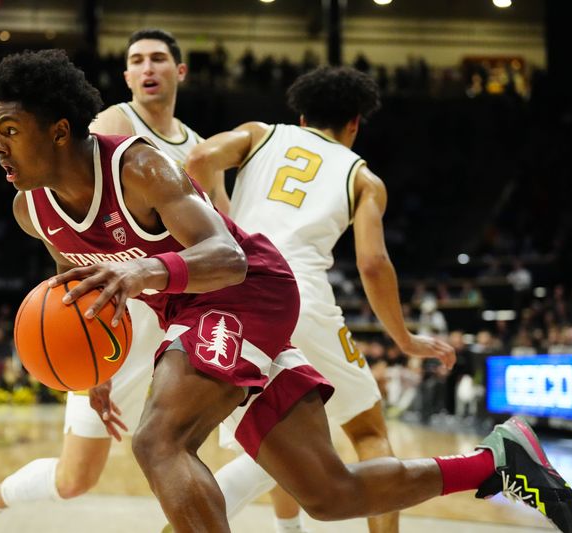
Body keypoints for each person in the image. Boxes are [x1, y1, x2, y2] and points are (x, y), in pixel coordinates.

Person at [0, 50, 572, 533]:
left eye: (9, 129)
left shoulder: (137, 166)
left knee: (158, 440)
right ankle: (496, 461)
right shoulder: (31, 210)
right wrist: (95, 376)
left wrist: (147, 272)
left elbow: (224, 257)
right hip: (196, 315)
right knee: (328, 493)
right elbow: (79, 293)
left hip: (247, 289)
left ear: (59, 131)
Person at [0, 29, 216, 532]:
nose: (148, 68)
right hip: (118, 322)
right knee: (75, 477)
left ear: (179, 70)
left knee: (202, 440)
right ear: (126, 75)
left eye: (158, 59)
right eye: (136, 60)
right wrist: (96, 371)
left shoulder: (182, 153)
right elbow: (72, 265)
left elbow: (224, 238)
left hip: (193, 314)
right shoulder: (92, 142)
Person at [183, 65, 404, 532]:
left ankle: (287, 530)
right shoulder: (364, 178)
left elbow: (199, 159)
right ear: (354, 124)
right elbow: (372, 265)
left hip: (234, 290)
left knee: (278, 429)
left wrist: (223, 213)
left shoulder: (260, 133)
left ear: (301, 117)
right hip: (298, 290)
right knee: (367, 431)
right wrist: (404, 337)